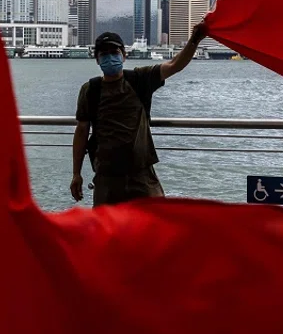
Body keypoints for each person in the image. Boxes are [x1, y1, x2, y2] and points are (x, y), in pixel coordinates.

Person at [71, 23, 208, 206]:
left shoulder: (140, 79)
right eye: (104, 54)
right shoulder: (90, 90)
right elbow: (81, 131)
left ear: (124, 56)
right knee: (108, 231)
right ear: (97, 60)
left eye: (114, 53)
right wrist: (76, 173)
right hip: (107, 177)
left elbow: (175, 65)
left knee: (155, 226)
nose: (110, 58)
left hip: (142, 174)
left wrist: (194, 40)